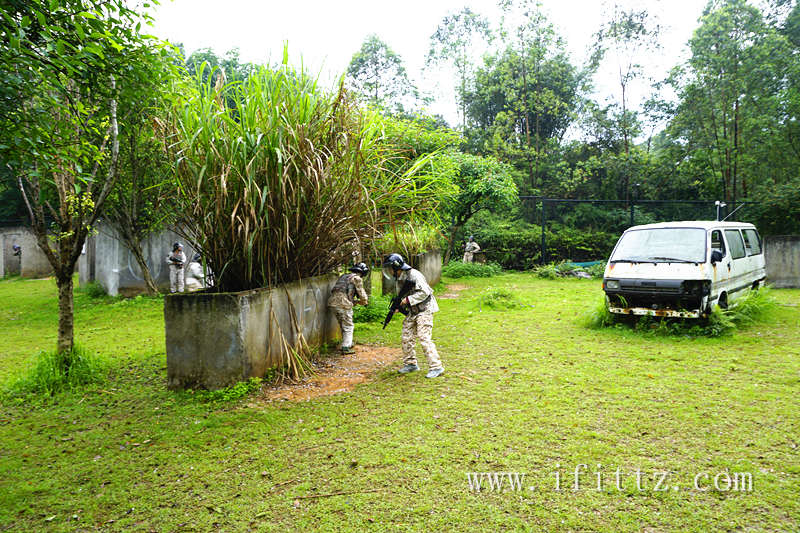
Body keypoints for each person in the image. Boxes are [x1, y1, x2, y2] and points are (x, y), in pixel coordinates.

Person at [383, 253, 444, 378]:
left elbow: (425, 292)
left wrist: (407, 300)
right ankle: (410, 364)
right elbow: (402, 296)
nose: (389, 271)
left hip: (425, 309)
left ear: (396, 267)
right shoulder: (399, 279)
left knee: (424, 337)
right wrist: (399, 308)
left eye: (390, 268)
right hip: (413, 311)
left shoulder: (414, 274)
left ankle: (436, 367)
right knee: (406, 337)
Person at [327, 262, 370, 354]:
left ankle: (346, 343)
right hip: (343, 303)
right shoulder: (357, 278)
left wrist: (355, 302)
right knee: (348, 326)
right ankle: (346, 347)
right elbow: (361, 293)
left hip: (332, 302)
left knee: (343, 324)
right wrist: (365, 301)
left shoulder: (344, 276)